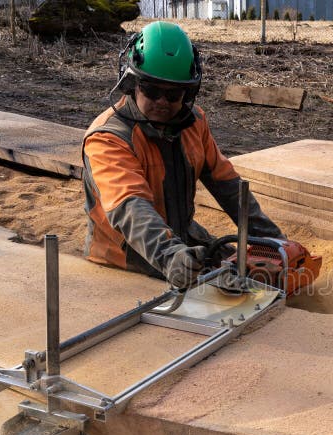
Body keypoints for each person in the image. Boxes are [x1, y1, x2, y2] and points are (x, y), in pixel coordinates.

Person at [81, 21, 284, 288]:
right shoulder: (108, 138)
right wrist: (170, 257)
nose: (163, 101)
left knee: (259, 275)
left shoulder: (194, 122)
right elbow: (131, 210)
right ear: (132, 82)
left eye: (174, 93)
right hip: (127, 256)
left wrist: (273, 242)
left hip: (180, 240)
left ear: (188, 92)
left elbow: (229, 188)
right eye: (152, 90)